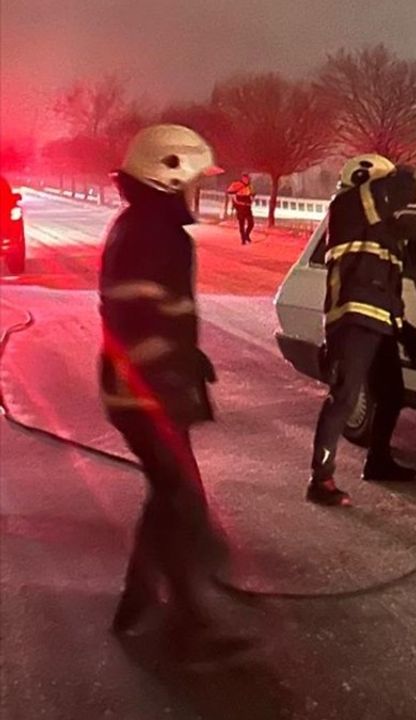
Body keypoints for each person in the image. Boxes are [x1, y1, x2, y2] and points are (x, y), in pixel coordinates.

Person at [98, 125, 230, 648]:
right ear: (168, 173)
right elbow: (136, 316)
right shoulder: (156, 233)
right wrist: (171, 375)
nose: (197, 189)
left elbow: (153, 310)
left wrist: (187, 355)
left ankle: (139, 600)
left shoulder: (146, 227)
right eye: (194, 179)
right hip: (146, 391)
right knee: (178, 499)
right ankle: (186, 624)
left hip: (146, 387)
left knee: (169, 495)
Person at [306, 157, 416, 506]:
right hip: (353, 319)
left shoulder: (381, 227)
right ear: (365, 180)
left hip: (380, 320)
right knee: (344, 398)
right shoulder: (348, 206)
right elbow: (398, 188)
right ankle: (320, 481)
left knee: (392, 393)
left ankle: (378, 460)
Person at [226, 173, 255, 244]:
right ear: (242, 178)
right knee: (241, 224)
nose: (246, 180)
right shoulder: (237, 184)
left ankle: (246, 235)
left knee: (251, 223)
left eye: (247, 179)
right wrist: (234, 200)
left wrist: (252, 197)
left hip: (248, 207)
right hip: (240, 208)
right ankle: (243, 239)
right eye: (245, 178)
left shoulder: (250, 187)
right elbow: (229, 191)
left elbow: (253, 194)